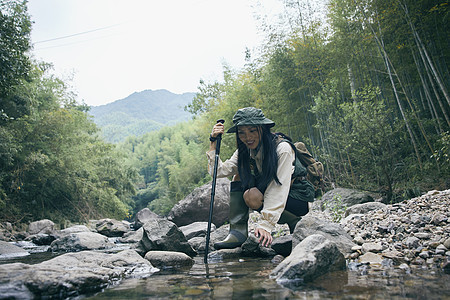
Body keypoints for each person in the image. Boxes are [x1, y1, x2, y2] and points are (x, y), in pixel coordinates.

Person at [207, 107, 314, 249]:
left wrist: (266, 225)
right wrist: (213, 141)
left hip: (296, 198)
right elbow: (218, 171)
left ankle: (294, 221)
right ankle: (237, 232)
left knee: (252, 196)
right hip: (273, 195)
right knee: (238, 175)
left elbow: (278, 188)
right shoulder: (244, 151)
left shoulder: (282, 149)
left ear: (262, 129)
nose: (248, 137)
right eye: (242, 133)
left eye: (252, 131)